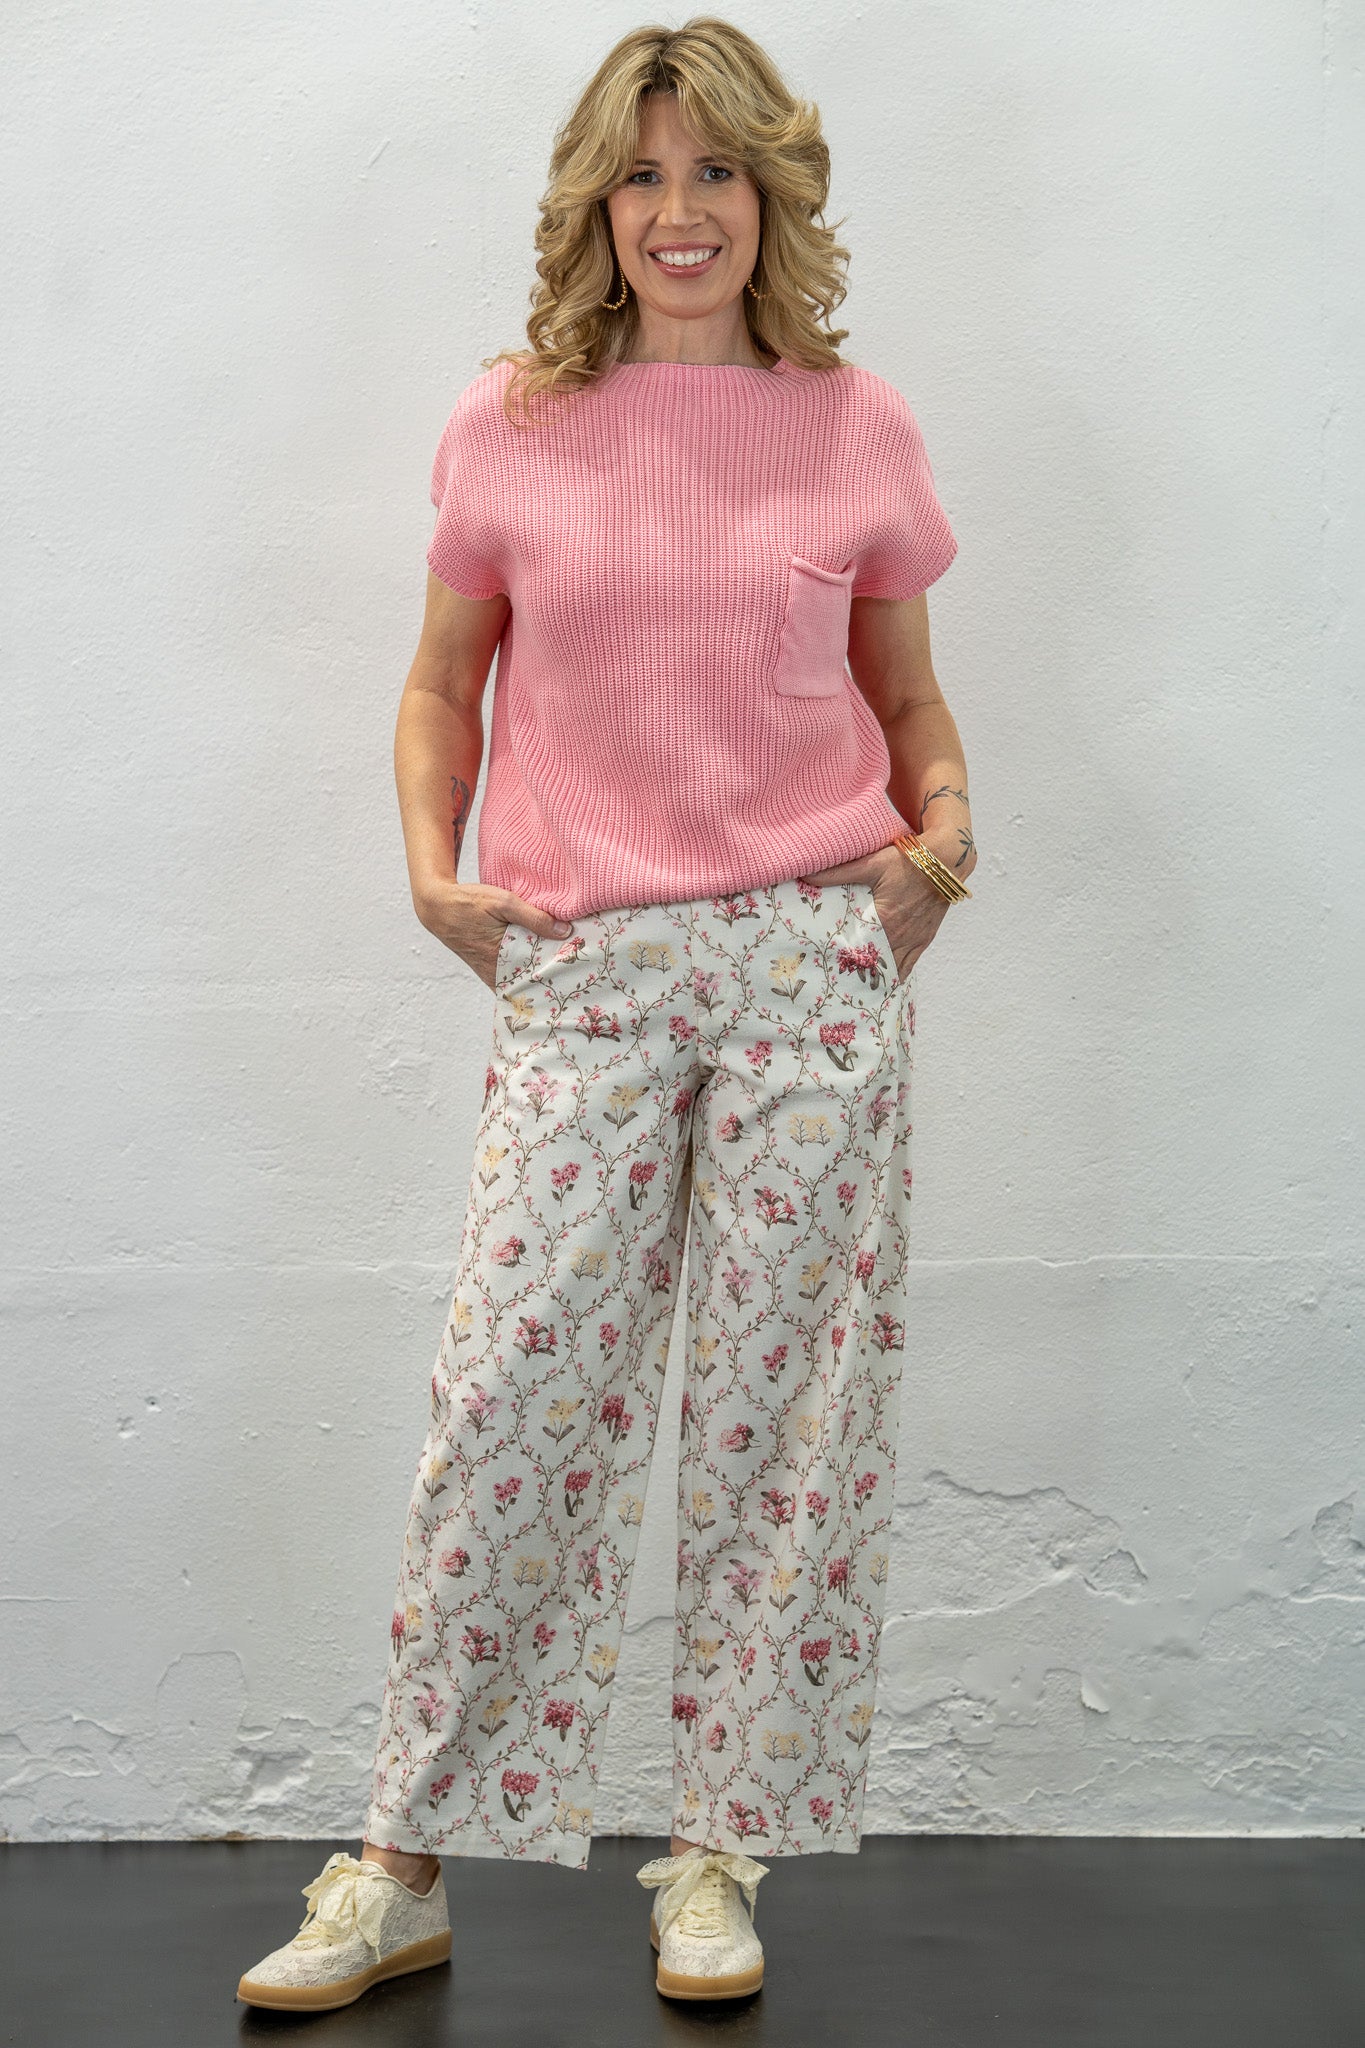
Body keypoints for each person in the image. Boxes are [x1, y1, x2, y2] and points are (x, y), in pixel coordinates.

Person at [237, 14, 976, 2015]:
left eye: (714, 169)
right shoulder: (511, 423)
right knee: (512, 1396)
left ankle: (714, 1852)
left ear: (771, 194)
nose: (678, 210)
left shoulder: (854, 427)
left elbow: (908, 700)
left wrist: (936, 845)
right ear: (592, 203)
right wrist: (433, 866)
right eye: (641, 174)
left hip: (805, 961)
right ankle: (399, 1861)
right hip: (588, 964)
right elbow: (439, 683)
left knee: (780, 1419)